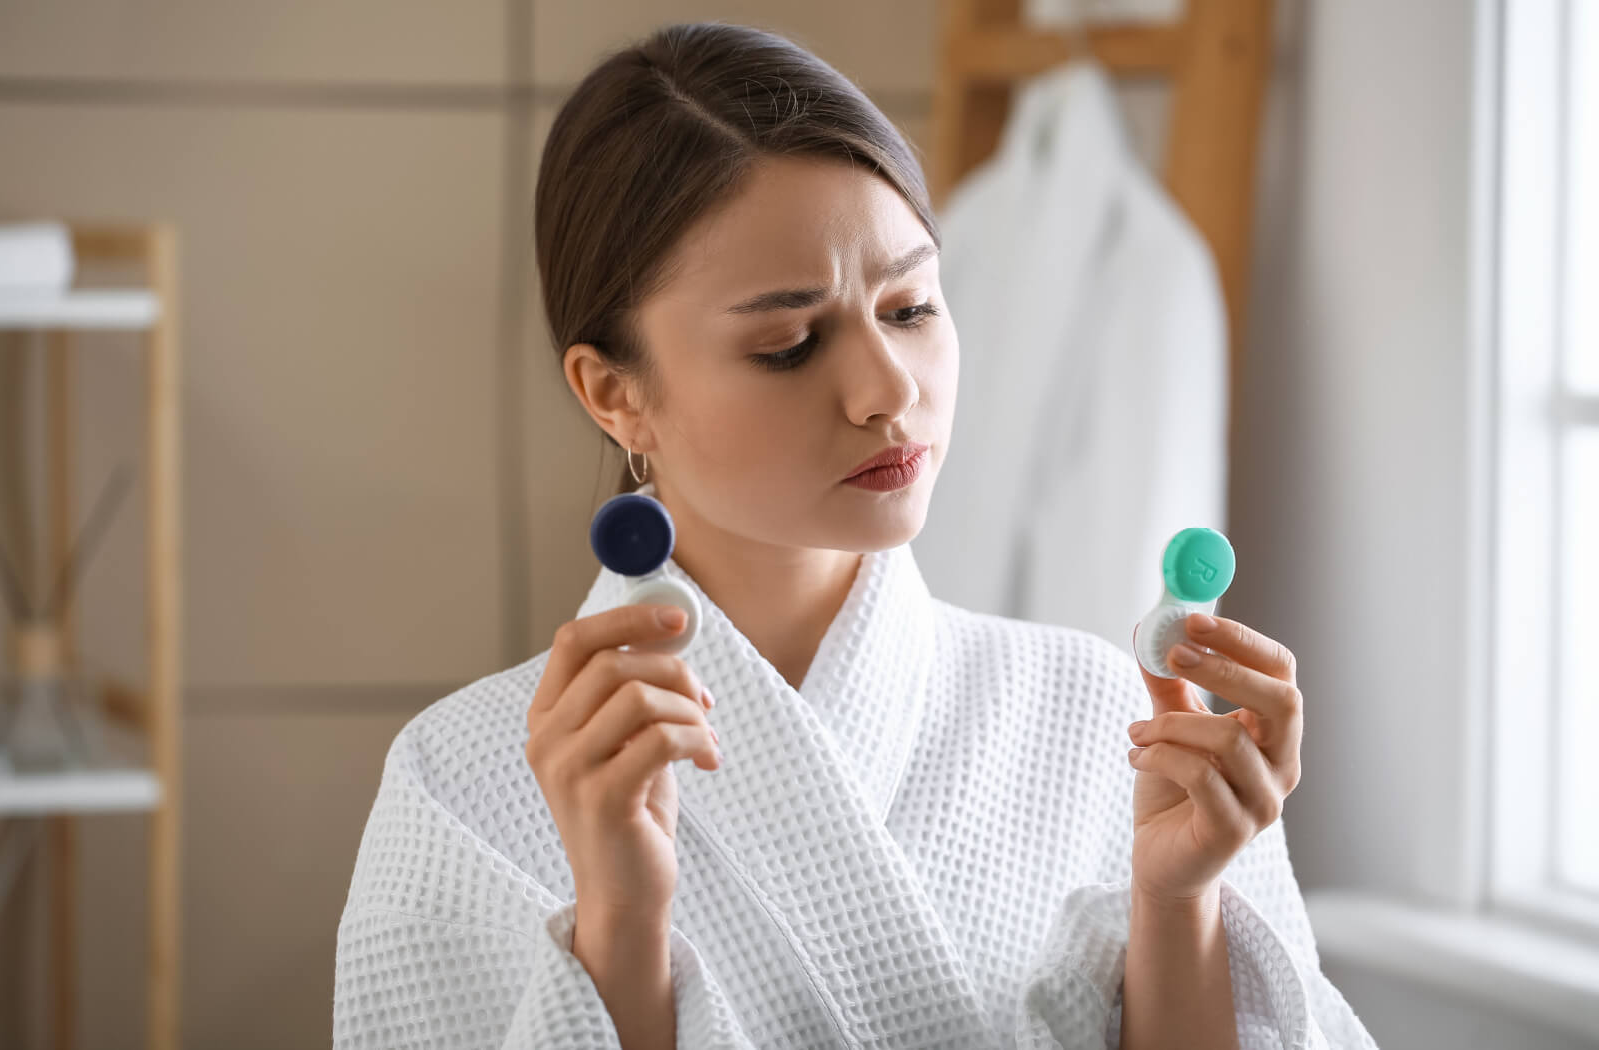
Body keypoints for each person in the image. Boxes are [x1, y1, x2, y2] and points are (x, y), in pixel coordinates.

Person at [333, 21, 1379, 1050]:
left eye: (912, 306)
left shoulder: (1098, 717)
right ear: (615, 394)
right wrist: (618, 924)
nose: (887, 390)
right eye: (788, 345)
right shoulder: (461, 786)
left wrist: (1178, 900)